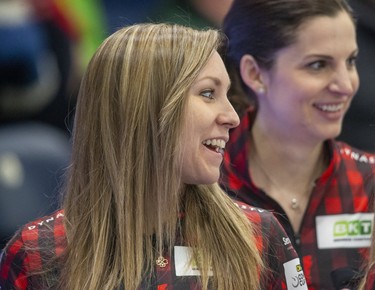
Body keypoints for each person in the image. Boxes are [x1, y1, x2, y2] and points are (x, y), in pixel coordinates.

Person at [0, 23, 307, 289]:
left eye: (227, 95)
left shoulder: (259, 237)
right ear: (144, 111)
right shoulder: (38, 253)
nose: (232, 117)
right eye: (208, 93)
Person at [220, 0, 375, 289]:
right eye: (318, 65)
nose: (346, 85)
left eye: (351, 61)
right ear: (254, 73)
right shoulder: (204, 182)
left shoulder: (370, 184)